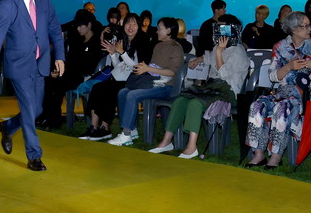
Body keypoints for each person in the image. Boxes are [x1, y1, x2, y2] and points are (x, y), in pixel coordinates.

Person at [0, 0, 65, 172]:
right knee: (29, 109)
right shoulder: (7, 5)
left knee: (36, 109)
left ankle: (8, 126)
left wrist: (60, 56)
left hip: (40, 63)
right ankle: (34, 156)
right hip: (18, 65)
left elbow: (55, 29)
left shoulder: (44, 0)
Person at [245, 11, 311, 168]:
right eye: (305, 26)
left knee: (282, 108)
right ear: (294, 29)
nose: (309, 29)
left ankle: (276, 155)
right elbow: (273, 76)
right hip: (282, 92)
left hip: (305, 97)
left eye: (309, 25)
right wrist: (289, 66)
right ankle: (258, 153)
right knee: (257, 105)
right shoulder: (280, 46)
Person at [149, 14, 250, 158]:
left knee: (195, 103)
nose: (218, 31)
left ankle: (192, 146)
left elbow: (224, 75)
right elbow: (209, 56)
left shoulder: (238, 51)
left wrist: (219, 52)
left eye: (222, 28)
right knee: (180, 100)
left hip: (228, 92)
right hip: (213, 88)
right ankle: (166, 141)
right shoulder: (218, 47)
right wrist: (199, 59)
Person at [108, 17, 185, 146]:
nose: (157, 31)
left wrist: (148, 68)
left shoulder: (176, 48)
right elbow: (152, 67)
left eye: (159, 28)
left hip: (167, 87)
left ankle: (126, 135)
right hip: (154, 83)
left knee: (132, 95)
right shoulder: (158, 46)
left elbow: (172, 73)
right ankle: (131, 129)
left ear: (168, 30)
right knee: (123, 92)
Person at [79, 12, 151, 140]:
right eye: (128, 23)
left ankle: (105, 127)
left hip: (134, 81)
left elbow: (136, 67)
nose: (130, 26)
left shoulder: (143, 43)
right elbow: (119, 66)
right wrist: (113, 54)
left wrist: (122, 53)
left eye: (134, 24)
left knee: (111, 90)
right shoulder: (123, 41)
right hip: (119, 79)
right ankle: (94, 127)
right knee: (97, 87)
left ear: (139, 26)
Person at [39, 8, 104, 129]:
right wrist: (58, 71)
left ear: (89, 25)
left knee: (57, 85)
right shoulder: (78, 41)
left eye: (80, 26)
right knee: (48, 81)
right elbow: (71, 61)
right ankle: (46, 116)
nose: (78, 29)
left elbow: (89, 66)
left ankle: (53, 119)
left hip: (85, 77)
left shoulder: (96, 43)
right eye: (77, 26)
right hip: (72, 74)